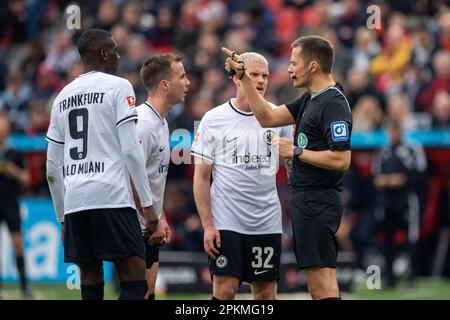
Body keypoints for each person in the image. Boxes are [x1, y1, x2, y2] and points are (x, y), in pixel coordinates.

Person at [223, 35, 352, 300]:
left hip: (319, 199)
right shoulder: (309, 99)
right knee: (317, 284)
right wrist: (244, 77)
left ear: (313, 66)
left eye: (294, 63)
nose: (289, 69)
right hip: (306, 199)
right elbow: (267, 117)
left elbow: (342, 159)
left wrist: (295, 151)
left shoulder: (333, 103)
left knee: (322, 284)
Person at [45, 29, 158, 300]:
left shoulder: (61, 97)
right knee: (135, 283)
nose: (119, 56)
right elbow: (131, 151)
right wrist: (147, 204)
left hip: (75, 203)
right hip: (112, 198)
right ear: (104, 53)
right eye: (116, 50)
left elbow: (51, 168)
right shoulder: (119, 86)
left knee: (91, 283)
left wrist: (62, 219)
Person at [192, 52, 293, 300]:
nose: (260, 80)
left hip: (265, 220)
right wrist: (207, 225)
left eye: (265, 76)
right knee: (225, 290)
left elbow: (293, 168)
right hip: (227, 220)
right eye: (253, 74)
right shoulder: (212, 119)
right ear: (237, 78)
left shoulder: (279, 116)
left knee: (266, 294)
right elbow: (202, 177)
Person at [134, 53, 190, 299]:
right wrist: (150, 218)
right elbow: (130, 178)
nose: (187, 82)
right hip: (133, 223)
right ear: (164, 84)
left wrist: (161, 216)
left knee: (147, 294)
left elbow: (152, 177)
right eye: (182, 76)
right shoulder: (142, 123)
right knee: (135, 293)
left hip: (148, 222)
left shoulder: (162, 122)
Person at [373, 119, 427, 287]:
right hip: (388, 200)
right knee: (387, 237)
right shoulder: (383, 150)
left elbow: (422, 174)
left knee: (411, 238)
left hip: (407, 199)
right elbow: (376, 176)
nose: (393, 134)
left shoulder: (413, 148)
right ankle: (389, 277)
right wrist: (384, 181)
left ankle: (412, 276)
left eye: (396, 130)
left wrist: (403, 179)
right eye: (391, 131)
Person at [0, 112, 33, 299]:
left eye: (4, 129)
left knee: (17, 243)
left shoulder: (13, 153)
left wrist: (11, 170)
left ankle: (24, 285)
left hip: (11, 202)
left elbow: (27, 179)